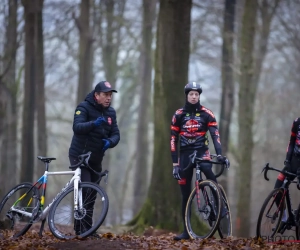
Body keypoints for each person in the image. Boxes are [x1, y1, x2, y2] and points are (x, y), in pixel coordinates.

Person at [170, 82, 228, 240]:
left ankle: (219, 205)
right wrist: (175, 164)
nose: (194, 97)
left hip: (202, 152)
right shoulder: (179, 114)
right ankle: (185, 231)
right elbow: (173, 139)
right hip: (185, 156)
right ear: (187, 96)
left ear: (199, 96)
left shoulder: (207, 113)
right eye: (191, 94)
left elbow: (215, 135)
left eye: (196, 94)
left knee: (209, 172)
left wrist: (220, 154)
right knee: (184, 194)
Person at [69, 80, 120, 237]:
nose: (108, 98)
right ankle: (82, 229)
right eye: (105, 95)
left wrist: (110, 142)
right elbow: (77, 128)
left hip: (96, 158)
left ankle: (87, 229)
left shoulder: (111, 113)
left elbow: (116, 134)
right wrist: (93, 124)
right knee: (86, 190)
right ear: (96, 95)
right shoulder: (83, 107)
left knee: (92, 195)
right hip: (80, 156)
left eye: (110, 95)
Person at [274, 117, 300, 224]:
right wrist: (287, 160)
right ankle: (284, 218)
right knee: (277, 188)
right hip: (294, 160)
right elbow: (292, 141)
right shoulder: (297, 122)